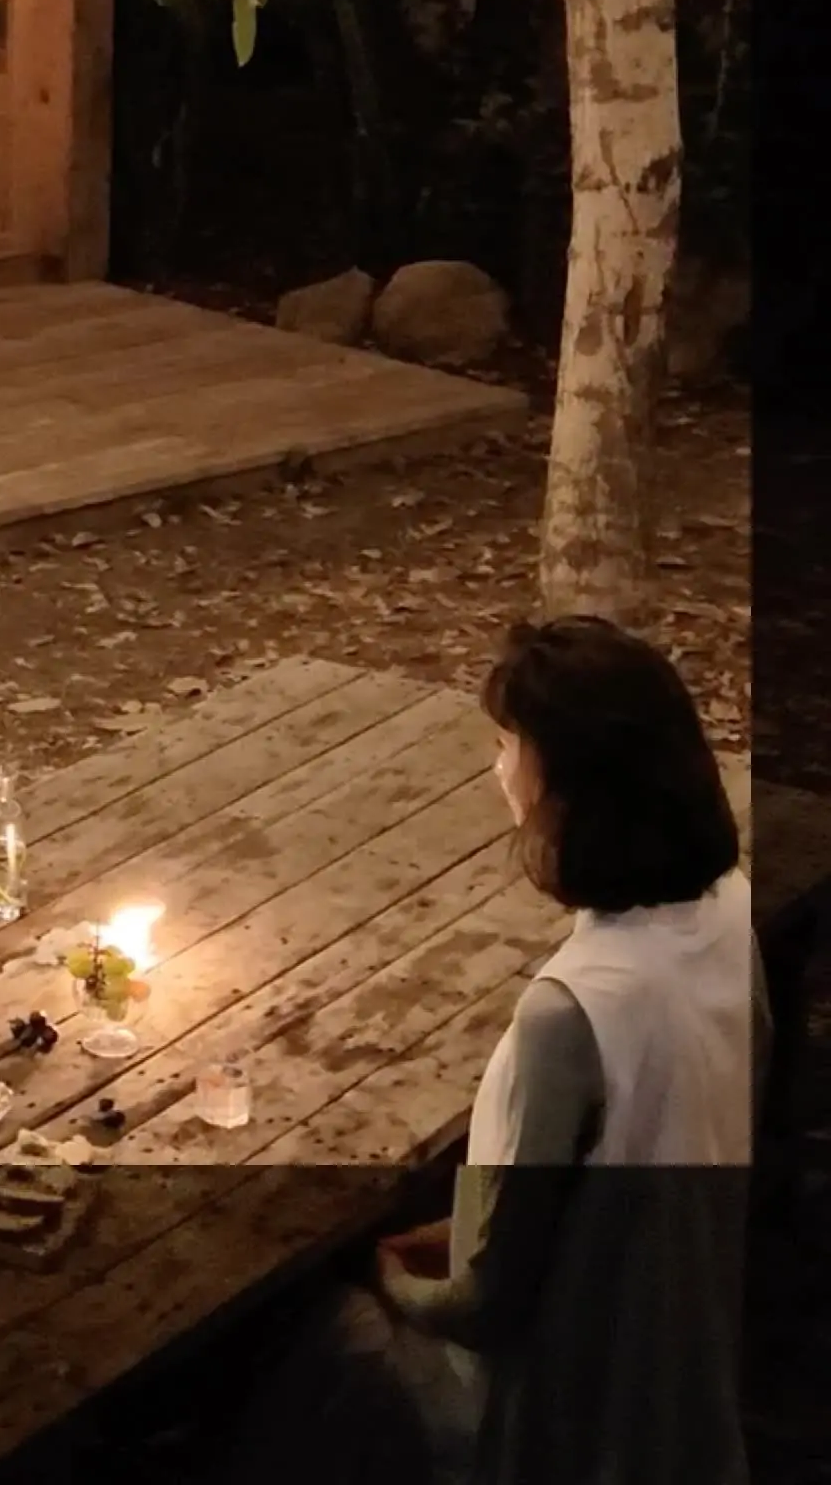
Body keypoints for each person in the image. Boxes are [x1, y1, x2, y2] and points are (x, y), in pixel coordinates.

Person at [216, 616, 770, 1485]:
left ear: (569, 789)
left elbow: (484, 1306)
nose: (497, 770)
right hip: (681, 1371)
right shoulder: (730, 912)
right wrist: (467, 1230)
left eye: (510, 747)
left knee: (298, 1329)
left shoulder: (570, 1013)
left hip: (558, 1416)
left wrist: (385, 1272)